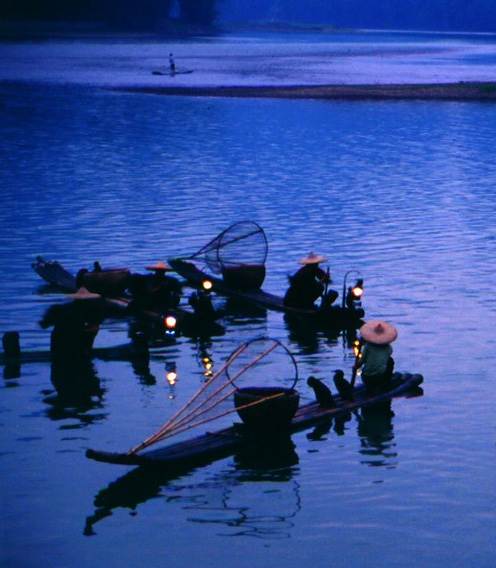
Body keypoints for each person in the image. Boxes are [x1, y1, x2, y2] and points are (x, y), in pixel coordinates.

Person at [353, 320, 397, 391]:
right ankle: (385, 383)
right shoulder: (388, 348)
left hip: (367, 377)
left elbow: (361, 362)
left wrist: (355, 366)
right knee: (390, 361)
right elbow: (386, 356)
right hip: (380, 377)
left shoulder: (367, 347)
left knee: (388, 360)